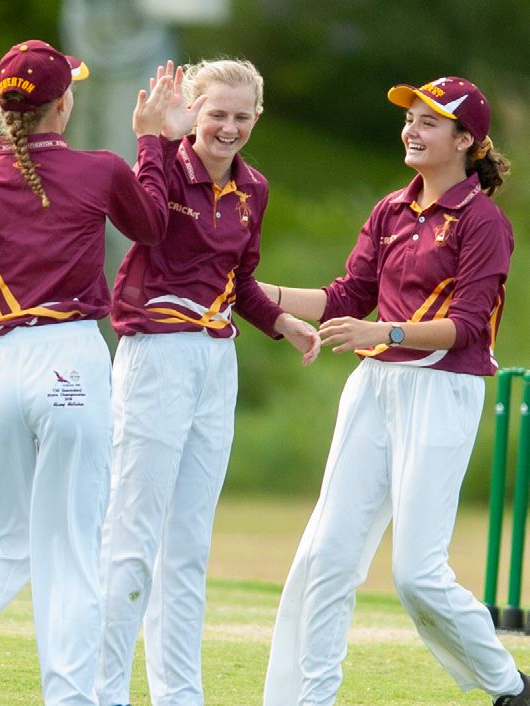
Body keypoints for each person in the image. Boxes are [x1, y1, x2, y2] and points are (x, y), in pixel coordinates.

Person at [260, 76, 529, 706]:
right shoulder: (390, 210)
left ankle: (510, 686)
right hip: (373, 387)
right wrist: (253, 291)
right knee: (326, 556)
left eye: (429, 121)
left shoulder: (483, 221)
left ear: (465, 141)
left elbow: (468, 327)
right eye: (410, 118)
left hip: (442, 388)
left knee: (416, 574)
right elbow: (345, 296)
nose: (412, 129)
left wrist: (383, 331)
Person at [95, 58, 320, 706]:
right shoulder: (162, 164)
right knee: (132, 536)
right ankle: (102, 693)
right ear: (192, 112)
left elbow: (238, 278)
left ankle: (179, 696)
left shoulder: (254, 189)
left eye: (241, 116)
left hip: (215, 361)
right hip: (155, 355)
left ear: (257, 118)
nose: (228, 127)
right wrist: (153, 141)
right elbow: (146, 226)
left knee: (188, 545)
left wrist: (279, 321)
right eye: (216, 113)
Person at [0, 39, 182, 705]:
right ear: (63, 105)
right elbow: (154, 227)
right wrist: (153, 142)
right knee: (69, 552)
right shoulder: (99, 169)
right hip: (68, 361)